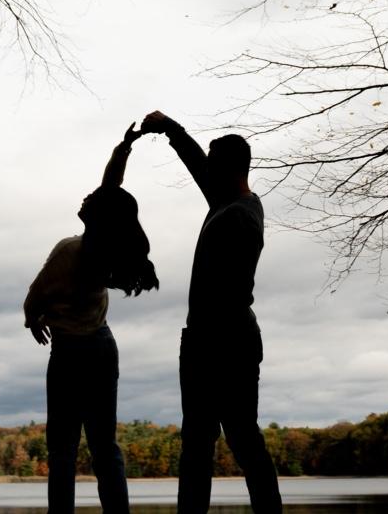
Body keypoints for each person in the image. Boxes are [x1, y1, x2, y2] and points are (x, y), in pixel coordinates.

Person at [138, 110, 283, 514]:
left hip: (226, 340)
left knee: (239, 437)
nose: (207, 170)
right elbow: (198, 166)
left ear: (232, 170)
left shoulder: (240, 216)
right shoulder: (229, 200)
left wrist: (206, 340)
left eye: (214, 164)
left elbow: (232, 292)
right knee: (200, 443)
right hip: (206, 338)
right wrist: (170, 129)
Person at [24, 125, 159, 514]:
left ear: (97, 216)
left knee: (62, 450)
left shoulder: (69, 252)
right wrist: (124, 147)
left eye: (92, 200)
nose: (86, 197)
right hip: (102, 347)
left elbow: (32, 299)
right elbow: (110, 190)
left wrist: (34, 319)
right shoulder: (107, 254)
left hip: (69, 353)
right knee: (104, 447)